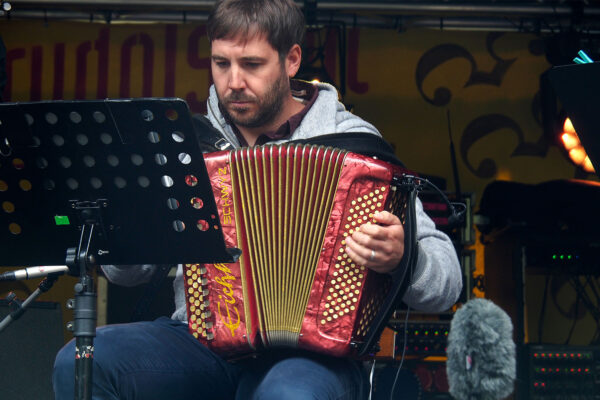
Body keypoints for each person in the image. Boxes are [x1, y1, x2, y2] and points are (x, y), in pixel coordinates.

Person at [53, 1, 462, 399]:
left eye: (251, 64)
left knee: (288, 393)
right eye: (221, 63)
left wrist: (404, 257)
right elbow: (130, 274)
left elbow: (447, 281)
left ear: (292, 60)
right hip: (202, 345)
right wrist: (128, 224)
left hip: (314, 357)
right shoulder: (187, 147)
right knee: (82, 360)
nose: (233, 82)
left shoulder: (355, 145)